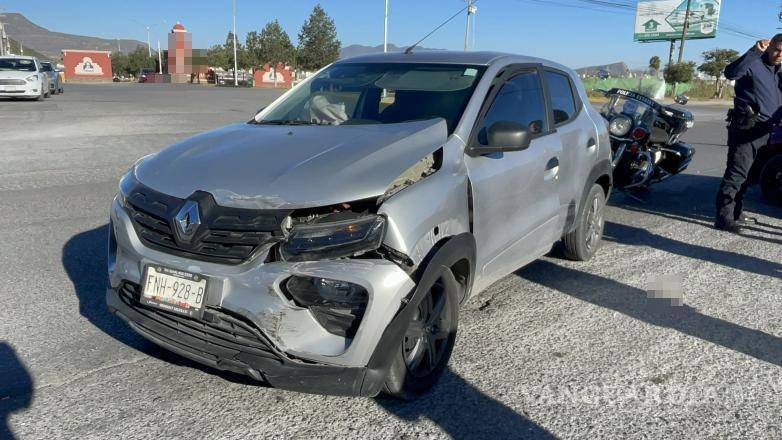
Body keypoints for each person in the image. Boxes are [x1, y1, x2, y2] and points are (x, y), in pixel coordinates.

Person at [716, 35, 782, 232]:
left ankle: (736, 211)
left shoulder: (778, 72)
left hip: (767, 131)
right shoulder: (754, 63)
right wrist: (754, 51)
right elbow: (730, 73)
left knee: (750, 174)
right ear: (769, 47)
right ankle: (723, 217)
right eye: (777, 49)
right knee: (736, 174)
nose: (780, 54)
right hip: (747, 129)